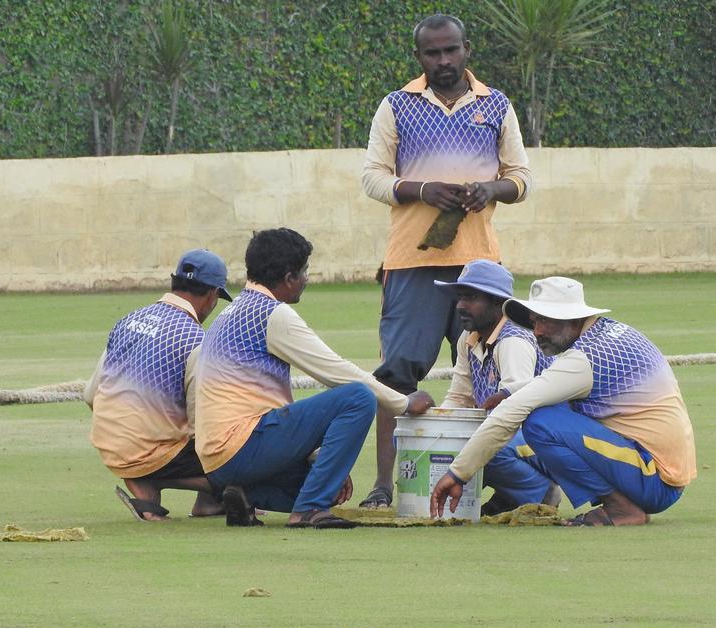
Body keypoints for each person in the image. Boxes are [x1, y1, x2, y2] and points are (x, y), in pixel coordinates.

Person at [359, 13, 532, 508]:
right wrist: (419, 190)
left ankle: (508, 485)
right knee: (395, 375)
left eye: (450, 50)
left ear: (466, 50)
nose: (443, 61)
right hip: (411, 263)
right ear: (419, 58)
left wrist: (489, 189)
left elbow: (520, 177)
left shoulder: (495, 105)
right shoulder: (396, 106)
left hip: (479, 268)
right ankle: (382, 487)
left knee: (492, 376)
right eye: (432, 53)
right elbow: (372, 178)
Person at [195, 228, 434, 529]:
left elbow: (274, 409)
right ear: (288, 278)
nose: (307, 280)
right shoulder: (272, 313)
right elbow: (337, 371)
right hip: (243, 447)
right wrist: (403, 403)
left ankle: (246, 494)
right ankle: (308, 509)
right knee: (358, 396)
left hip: (216, 463)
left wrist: (321, 459)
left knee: (328, 483)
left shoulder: (232, 311)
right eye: (304, 272)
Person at [430, 277, 697, 526]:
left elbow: (511, 412)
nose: (537, 331)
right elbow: (549, 385)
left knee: (539, 423)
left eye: (547, 321)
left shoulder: (583, 360)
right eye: (535, 321)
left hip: (655, 480)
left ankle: (621, 509)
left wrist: (457, 474)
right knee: (542, 414)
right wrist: (513, 391)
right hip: (656, 471)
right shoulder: (608, 334)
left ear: (573, 319)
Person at [84, 249, 232, 521]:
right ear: (212, 295)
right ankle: (157, 479)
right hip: (153, 451)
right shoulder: (197, 339)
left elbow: (90, 395)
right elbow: (204, 425)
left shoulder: (127, 320)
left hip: (109, 444)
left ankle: (146, 485)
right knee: (244, 466)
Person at [433, 259, 560, 516]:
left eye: (470, 298)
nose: (460, 306)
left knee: (488, 447)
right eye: (459, 297)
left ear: (496, 303)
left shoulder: (513, 340)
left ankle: (540, 492)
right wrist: (435, 429)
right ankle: (509, 494)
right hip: (514, 434)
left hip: (545, 437)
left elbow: (516, 409)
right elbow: (459, 397)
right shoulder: (468, 339)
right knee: (441, 439)